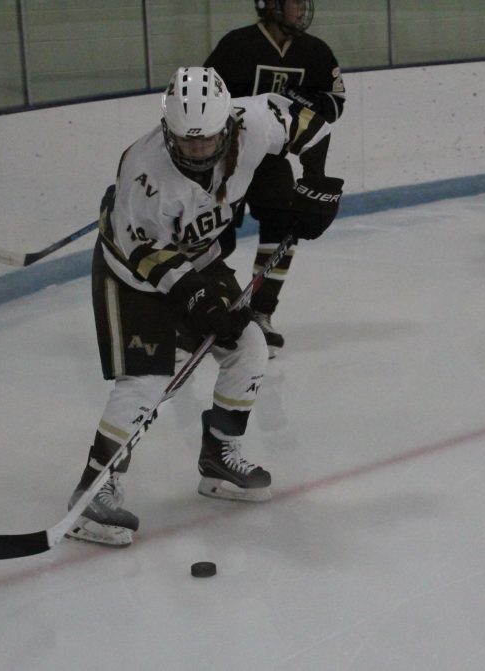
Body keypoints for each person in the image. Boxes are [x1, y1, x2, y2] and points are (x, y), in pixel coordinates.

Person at [65, 66, 344, 547]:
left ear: (228, 126)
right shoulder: (143, 170)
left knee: (248, 345)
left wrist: (314, 186)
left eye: (206, 141)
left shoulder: (254, 121)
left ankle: (218, 456)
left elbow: (314, 123)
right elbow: (145, 252)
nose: (196, 151)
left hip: (202, 254)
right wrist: (195, 297)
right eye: (185, 142)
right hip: (132, 272)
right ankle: (92, 488)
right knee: (149, 377)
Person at [203, 0, 345, 357]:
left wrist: (300, 102)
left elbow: (335, 102)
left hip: (272, 159)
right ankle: (204, 310)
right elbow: (205, 98)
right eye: (294, 2)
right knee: (217, 239)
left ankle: (260, 313)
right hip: (227, 161)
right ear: (272, 6)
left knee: (282, 229)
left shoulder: (315, 52)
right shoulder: (237, 46)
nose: (301, 10)